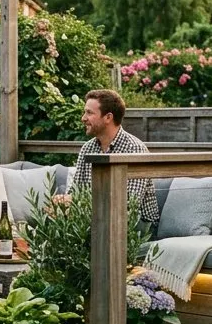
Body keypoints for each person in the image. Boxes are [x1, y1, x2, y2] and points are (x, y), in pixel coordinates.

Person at [68, 89, 160, 224]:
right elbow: (76, 192)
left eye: (89, 113)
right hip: (97, 219)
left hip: (138, 226)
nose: (83, 118)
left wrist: (81, 203)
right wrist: (63, 202)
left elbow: (128, 205)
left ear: (108, 118)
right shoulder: (87, 148)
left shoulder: (134, 149)